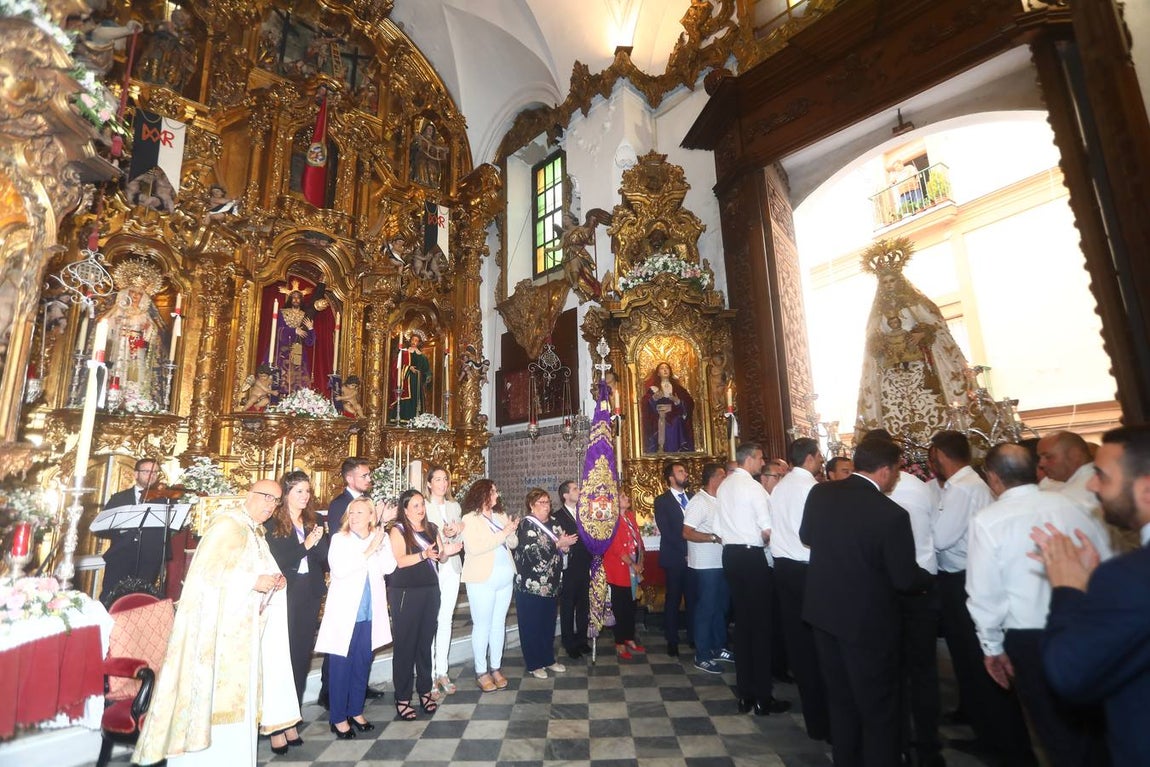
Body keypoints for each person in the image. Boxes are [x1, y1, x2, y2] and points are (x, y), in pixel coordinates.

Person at [133, 480, 300, 766]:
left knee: (241, 714)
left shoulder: (254, 531)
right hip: (218, 638)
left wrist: (274, 580)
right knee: (213, 710)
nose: (270, 505)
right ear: (249, 495)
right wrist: (253, 581)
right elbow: (205, 575)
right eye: (266, 497)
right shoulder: (228, 526)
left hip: (244, 634)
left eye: (275, 501)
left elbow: (260, 570)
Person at [966, 443, 1112, 767]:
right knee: (1095, 723)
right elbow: (1104, 561)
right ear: (1035, 469)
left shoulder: (987, 521)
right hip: (1083, 623)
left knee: (1054, 729)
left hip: (1029, 636)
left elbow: (985, 592)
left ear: (993, 477)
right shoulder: (1073, 505)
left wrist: (991, 646)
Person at [800, 438, 927, 767]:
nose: (896, 477)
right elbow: (904, 579)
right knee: (878, 708)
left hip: (824, 615)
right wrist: (929, 580)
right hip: (867, 623)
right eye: (896, 470)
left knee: (841, 702)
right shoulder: (891, 514)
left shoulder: (821, 493)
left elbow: (807, 536)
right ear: (884, 470)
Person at [1031, 425, 1150, 764]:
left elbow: (1069, 674)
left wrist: (1069, 589)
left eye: (1103, 476)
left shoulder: (1129, 576)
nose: (1092, 485)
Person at [931, 431, 1035, 763]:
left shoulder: (963, 488)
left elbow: (942, 538)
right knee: (969, 662)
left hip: (962, 579)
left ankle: (1001, 742)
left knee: (977, 664)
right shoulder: (966, 485)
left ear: (939, 455)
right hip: (962, 577)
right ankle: (987, 730)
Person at [714, 442, 790, 716]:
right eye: (760, 458)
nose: (762, 462)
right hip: (751, 557)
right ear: (750, 459)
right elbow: (767, 529)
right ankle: (762, 697)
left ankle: (745, 694)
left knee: (743, 626)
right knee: (761, 627)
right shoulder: (754, 488)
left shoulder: (724, 486)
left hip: (730, 556)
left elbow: (718, 529)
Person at [314, 497, 397, 739]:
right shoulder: (340, 539)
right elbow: (339, 570)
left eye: (360, 512)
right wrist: (370, 550)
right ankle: (339, 717)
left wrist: (381, 544)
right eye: (351, 513)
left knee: (362, 663)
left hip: (370, 612)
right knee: (341, 666)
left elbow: (389, 568)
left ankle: (356, 710)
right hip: (345, 615)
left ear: (372, 516)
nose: (354, 517)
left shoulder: (380, 537)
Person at [768, 438, 831, 742]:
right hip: (807, 568)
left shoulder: (780, 487)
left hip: (783, 568)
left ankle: (815, 720)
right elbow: (818, 533)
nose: (821, 461)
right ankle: (829, 720)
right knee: (820, 645)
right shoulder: (812, 489)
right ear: (810, 458)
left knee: (798, 644)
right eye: (819, 456)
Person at [263, 470, 328, 740]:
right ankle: (277, 723)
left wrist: (319, 542)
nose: (305, 496)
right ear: (286, 493)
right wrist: (306, 544)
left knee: (301, 657)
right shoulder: (273, 523)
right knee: (283, 657)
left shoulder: (315, 520)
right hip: (285, 593)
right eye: (299, 491)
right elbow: (279, 559)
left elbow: (324, 559)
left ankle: (293, 717)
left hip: (309, 592)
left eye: (308, 491)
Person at [388, 489, 461, 719]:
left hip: (430, 590)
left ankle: (424, 691)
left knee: (424, 644)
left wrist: (447, 552)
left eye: (422, 504)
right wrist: (423, 555)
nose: (421, 509)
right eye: (416, 505)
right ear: (405, 509)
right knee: (405, 647)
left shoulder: (432, 528)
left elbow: (440, 556)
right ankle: (402, 697)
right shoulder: (398, 530)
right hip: (405, 593)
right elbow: (400, 561)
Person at [318, 457, 379, 709]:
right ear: (349, 478)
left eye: (368, 475)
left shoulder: (367, 502)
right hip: (347, 583)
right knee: (340, 645)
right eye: (364, 475)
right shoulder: (340, 504)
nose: (369, 479)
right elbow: (340, 540)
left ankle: (357, 689)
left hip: (365, 584)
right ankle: (329, 692)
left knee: (360, 647)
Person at [460, 479, 520, 692]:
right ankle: (481, 671)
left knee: (498, 624)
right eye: (492, 491)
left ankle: (495, 667)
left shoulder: (500, 516)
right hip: (481, 580)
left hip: (505, 578)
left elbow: (513, 543)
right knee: (482, 625)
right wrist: (503, 533)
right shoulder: (469, 519)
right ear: (482, 494)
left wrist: (511, 531)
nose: (496, 494)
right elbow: (476, 548)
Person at [514, 489, 578, 678]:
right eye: (541, 502)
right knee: (531, 625)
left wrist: (566, 548)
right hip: (531, 585)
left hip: (551, 585)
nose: (546, 506)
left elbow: (563, 548)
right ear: (531, 505)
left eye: (548, 502)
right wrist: (558, 545)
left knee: (548, 624)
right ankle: (534, 663)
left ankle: (548, 659)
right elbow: (532, 552)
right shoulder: (526, 524)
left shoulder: (555, 523)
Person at [681, 462, 730, 674]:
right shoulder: (699, 502)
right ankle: (702, 655)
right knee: (706, 609)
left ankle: (718, 647)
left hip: (721, 562)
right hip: (705, 565)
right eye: (723, 476)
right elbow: (687, 532)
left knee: (720, 608)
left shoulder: (720, 500)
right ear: (713, 479)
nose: (726, 480)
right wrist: (713, 537)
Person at [98, 457, 168, 602]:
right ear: (136, 474)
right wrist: (121, 529)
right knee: (111, 598)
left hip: (149, 559)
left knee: (141, 601)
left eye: (155, 472)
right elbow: (100, 527)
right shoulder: (118, 498)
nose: (151, 475)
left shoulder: (164, 500)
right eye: (147, 472)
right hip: (120, 556)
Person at [103, 258, 168, 407]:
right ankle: (112, 393)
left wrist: (147, 329)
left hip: (136, 346)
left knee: (134, 371)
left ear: (143, 296)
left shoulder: (144, 313)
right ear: (127, 293)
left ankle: (132, 396)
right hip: (119, 345)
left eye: (139, 293)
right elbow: (105, 324)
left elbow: (153, 332)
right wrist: (115, 321)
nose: (135, 296)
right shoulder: (119, 309)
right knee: (116, 367)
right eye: (133, 292)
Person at [424, 466, 463, 696]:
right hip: (433, 566)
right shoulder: (423, 506)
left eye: (445, 479)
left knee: (446, 619)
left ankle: (442, 671)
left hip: (452, 567)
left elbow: (461, 537)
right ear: (429, 483)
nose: (442, 483)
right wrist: (442, 539)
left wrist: (456, 531)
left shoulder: (454, 506)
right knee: (431, 620)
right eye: (437, 479)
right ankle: (428, 674)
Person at [653, 460, 691, 657]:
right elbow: (667, 531)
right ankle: (672, 640)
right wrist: (685, 551)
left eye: (685, 471)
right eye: (681, 471)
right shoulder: (662, 501)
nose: (686, 474)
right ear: (671, 478)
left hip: (696, 557)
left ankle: (694, 636)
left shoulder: (693, 497)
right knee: (673, 598)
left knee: (693, 597)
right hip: (675, 556)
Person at [604, 491, 645, 659]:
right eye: (622, 497)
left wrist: (640, 561)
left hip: (632, 569)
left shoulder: (630, 516)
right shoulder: (611, 520)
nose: (627, 498)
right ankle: (619, 641)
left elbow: (638, 541)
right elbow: (617, 548)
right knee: (620, 607)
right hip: (618, 570)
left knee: (631, 605)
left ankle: (629, 637)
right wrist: (633, 564)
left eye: (626, 496)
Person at [554, 480, 592, 659]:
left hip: (585, 564)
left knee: (584, 605)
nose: (579, 491)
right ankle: (569, 642)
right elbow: (557, 542)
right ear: (565, 495)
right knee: (568, 606)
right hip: (569, 567)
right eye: (575, 489)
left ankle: (582, 639)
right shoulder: (557, 517)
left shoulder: (585, 513)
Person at [641, 362, 695, 453]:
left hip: (676, 419)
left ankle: (676, 452)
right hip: (659, 418)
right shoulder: (653, 389)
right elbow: (645, 405)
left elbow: (689, 403)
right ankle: (660, 449)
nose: (665, 370)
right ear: (658, 373)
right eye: (662, 368)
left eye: (667, 368)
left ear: (670, 372)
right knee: (661, 422)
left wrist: (677, 401)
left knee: (677, 420)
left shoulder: (678, 389)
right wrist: (654, 398)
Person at [274, 290, 315, 396]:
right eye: (294, 297)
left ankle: (296, 398)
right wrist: (294, 331)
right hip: (284, 350)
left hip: (298, 350)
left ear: (301, 300)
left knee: (298, 377)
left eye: (298, 298)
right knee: (283, 376)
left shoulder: (305, 316)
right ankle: (280, 397)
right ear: (290, 299)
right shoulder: (283, 313)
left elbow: (309, 341)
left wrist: (311, 329)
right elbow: (278, 331)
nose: (296, 299)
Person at [391, 330, 432, 421]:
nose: (414, 342)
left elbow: (426, 369)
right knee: (406, 397)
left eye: (416, 340)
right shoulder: (404, 353)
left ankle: (416, 420)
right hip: (406, 379)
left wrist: (428, 376)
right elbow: (396, 366)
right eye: (413, 340)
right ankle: (404, 418)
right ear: (410, 340)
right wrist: (409, 368)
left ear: (419, 343)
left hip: (417, 381)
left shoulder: (422, 357)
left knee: (416, 398)